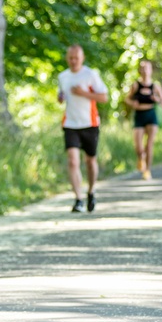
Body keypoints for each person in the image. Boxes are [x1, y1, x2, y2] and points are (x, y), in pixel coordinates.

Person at [57, 44, 109, 212]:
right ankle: (78, 199)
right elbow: (62, 95)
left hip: (90, 123)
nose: (73, 61)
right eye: (70, 58)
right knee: (73, 161)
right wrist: (60, 97)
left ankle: (91, 191)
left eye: (76, 58)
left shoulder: (90, 75)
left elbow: (104, 97)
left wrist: (83, 93)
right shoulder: (63, 76)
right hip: (70, 124)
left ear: (82, 58)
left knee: (90, 160)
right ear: (67, 58)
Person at [124, 59, 162, 180]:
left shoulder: (155, 86)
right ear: (139, 70)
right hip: (139, 116)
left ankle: (148, 170)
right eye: (142, 68)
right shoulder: (135, 85)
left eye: (147, 68)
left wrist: (157, 99)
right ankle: (140, 158)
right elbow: (127, 99)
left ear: (151, 70)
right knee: (138, 147)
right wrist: (132, 103)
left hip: (151, 115)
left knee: (149, 145)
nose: (145, 70)